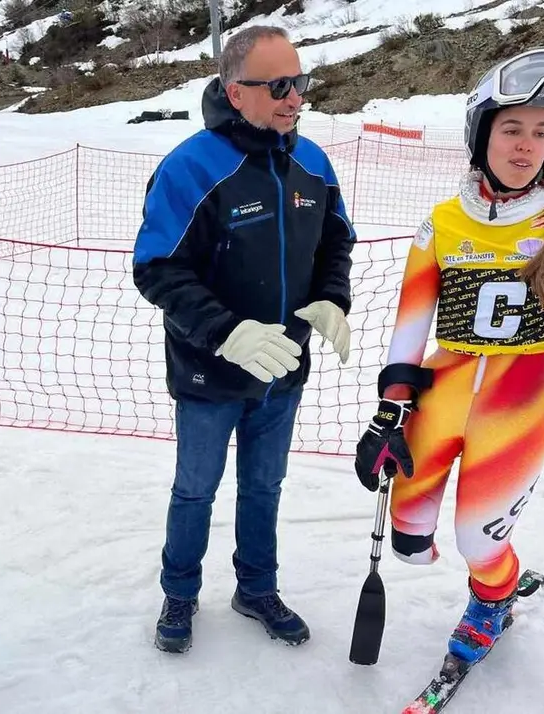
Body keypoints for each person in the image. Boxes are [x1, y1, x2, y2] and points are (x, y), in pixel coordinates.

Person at [353, 48, 544, 665]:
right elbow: (411, 323)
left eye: (542, 133)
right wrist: (389, 414)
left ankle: (493, 595)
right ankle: (493, 570)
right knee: (408, 539)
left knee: (477, 540)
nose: (526, 146)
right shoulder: (441, 224)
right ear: (481, 134)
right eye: (512, 129)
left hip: (519, 397)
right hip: (442, 388)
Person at [132, 25, 356, 654]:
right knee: (195, 489)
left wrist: (333, 299)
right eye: (279, 85)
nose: (295, 98)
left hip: (283, 369)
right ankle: (180, 593)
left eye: (301, 82)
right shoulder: (191, 167)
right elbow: (157, 268)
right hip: (209, 376)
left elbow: (337, 240)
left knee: (264, 487)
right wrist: (224, 332)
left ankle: (256, 587)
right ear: (236, 92)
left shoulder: (311, 160)